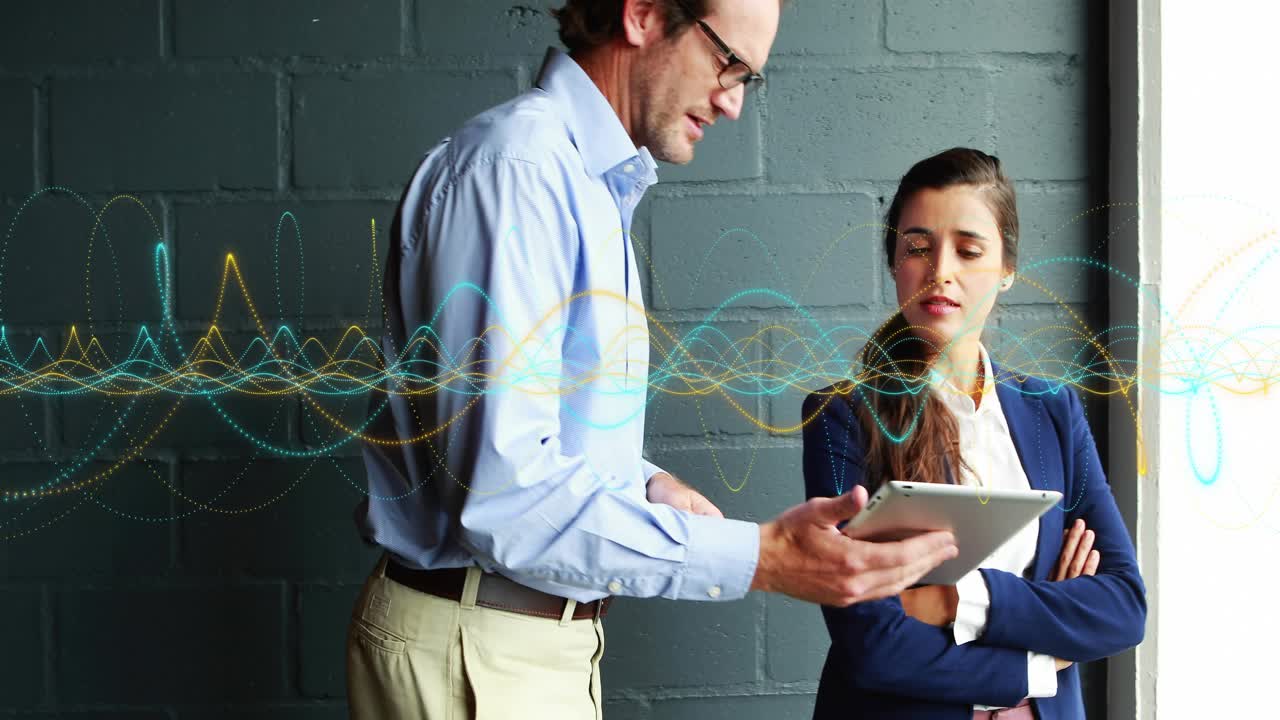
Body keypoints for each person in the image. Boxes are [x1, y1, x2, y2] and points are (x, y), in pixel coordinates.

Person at [346, 2, 958, 718]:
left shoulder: (589, 187)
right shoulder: (517, 173)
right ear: (641, 14)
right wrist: (759, 557)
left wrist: (643, 484)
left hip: (532, 645)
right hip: (478, 648)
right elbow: (505, 497)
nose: (732, 102)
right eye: (729, 63)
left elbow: (521, 439)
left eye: (748, 80)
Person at [801, 148, 1147, 720]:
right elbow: (872, 644)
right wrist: (1042, 659)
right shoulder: (841, 417)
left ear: (1006, 268)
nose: (941, 270)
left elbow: (1122, 607)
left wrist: (958, 599)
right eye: (917, 246)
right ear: (894, 262)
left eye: (968, 249)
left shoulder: (1052, 412)